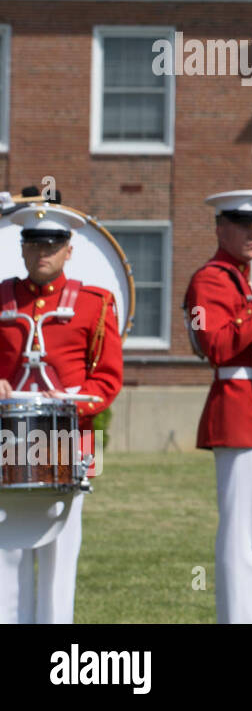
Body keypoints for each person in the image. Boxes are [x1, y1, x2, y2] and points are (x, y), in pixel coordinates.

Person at [0, 203, 123, 623]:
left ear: (69, 249)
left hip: (65, 443)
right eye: (33, 244)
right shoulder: (0, 298)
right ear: (22, 249)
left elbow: (106, 380)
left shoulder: (95, 304)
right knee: (7, 556)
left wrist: (66, 405)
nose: (42, 253)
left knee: (58, 559)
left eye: (52, 244)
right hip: (7, 445)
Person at [184, 189, 252, 624]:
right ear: (220, 227)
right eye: (243, 225)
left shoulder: (237, 278)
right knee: (241, 533)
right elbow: (217, 346)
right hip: (236, 409)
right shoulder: (209, 280)